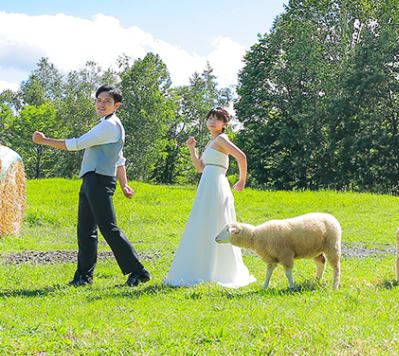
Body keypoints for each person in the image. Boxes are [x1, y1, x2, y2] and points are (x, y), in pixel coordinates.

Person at [32, 85, 150, 287]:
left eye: (107, 101)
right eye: (99, 100)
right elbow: (119, 159)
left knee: (108, 228)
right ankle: (83, 277)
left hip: (100, 180)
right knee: (86, 230)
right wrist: (124, 184)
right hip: (92, 179)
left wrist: (44, 141)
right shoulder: (106, 124)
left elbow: (77, 144)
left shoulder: (109, 125)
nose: (101, 104)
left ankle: (138, 272)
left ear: (116, 106)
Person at [164, 107, 255, 288]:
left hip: (217, 184)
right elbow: (199, 167)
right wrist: (192, 149)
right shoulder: (210, 143)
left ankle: (219, 269)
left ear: (224, 124)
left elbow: (241, 156)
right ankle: (201, 266)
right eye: (210, 118)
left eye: (217, 119)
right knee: (202, 222)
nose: (212, 122)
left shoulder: (222, 139)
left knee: (217, 221)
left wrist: (242, 180)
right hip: (206, 184)